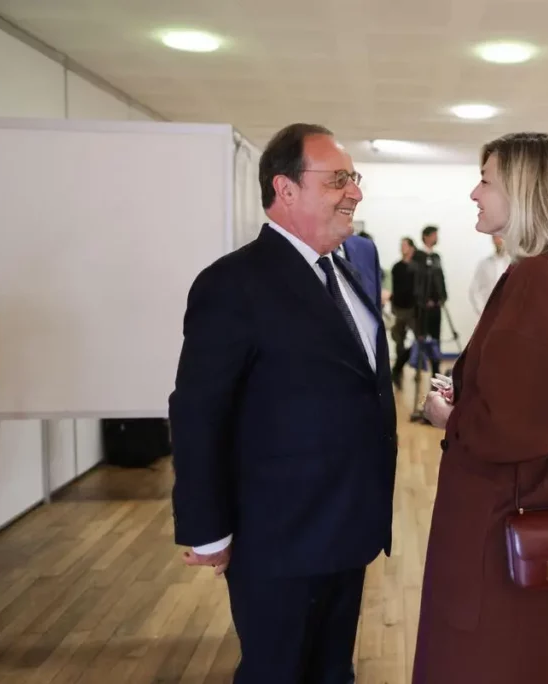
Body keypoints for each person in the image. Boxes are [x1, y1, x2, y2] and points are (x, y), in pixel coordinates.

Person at [168, 123, 398, 684]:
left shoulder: (347, 270)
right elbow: (199, 411)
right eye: (339, 179)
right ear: (286, 189)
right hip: (279, 535)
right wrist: (206, 529)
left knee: (332, 670)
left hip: (348, 526)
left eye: (355, 178)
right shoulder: (233, 283)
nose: (356, 192)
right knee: (277, 671)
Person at [413, 132, 548, 684]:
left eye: (487, 180)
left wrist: (449, 416)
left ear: (524, 192)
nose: (475, 193)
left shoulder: (538, 277)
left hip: (505, 516)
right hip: (518, 505)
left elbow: (516, 427)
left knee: (490, 656)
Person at [413, 225, 447, 376]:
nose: (436, 238)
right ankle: (414, 369)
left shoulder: (436, 257)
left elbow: (441, 278)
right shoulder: (418, 257)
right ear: (426, 237)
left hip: (436, 306)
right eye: (434, 235)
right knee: (421, 338)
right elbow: (417, 281)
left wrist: (443, 297)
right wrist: (422, 300)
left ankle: (436, 370)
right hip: (422, 307)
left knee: (435, 338)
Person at [390, 237, 419, 388]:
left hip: (413, 310)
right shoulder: (397, 267)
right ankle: (397, 372)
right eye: (401, 245)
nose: (402, 248)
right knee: (399, 340)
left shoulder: (416, 267)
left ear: (412, 248)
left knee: (418, 340)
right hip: (400, 309)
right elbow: (394, 289)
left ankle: (404, 368)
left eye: (405, 245)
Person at [468, 234, 511, 315]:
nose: (499, 240)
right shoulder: (484, 264)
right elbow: (474, 290)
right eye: (496, 237)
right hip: (491, 315)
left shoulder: (516, 263)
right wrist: (482, 312)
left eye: (501, 237)